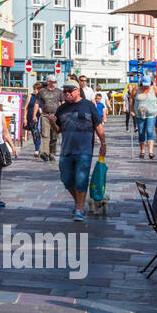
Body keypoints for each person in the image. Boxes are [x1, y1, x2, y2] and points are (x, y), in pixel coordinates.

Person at [46, 80, 105, 221]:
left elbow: (98, 124)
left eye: (70, 90)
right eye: (65, 91)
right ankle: (80, 202)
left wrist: (103, 143)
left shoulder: (88, 105)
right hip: (67, 149)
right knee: (66, 179)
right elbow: (58, 131)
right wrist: (53, 122)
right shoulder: (62, 108)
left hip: (84, 149)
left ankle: (79, 209)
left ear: (78, 90)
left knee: (81, 179)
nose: (67, 93)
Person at [36, 76, 63, 162]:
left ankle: (52, 153)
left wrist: (62, 114)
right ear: (48, 82)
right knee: (45, 134)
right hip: (45, 115)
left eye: (55, 81)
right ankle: (44, 153)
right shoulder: (42, 91)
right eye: (53, 81)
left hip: (56, 116)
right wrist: (34, 115)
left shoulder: (59, 92)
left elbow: (62, 103)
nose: (54, 83)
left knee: (54, 136)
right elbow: (37, 103)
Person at [132, 81, 157, 160]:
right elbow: (131, 99)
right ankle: (142, 151)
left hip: (151, 114)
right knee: (141, 132)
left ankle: (151, 152)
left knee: (150, 131)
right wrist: (131, 110)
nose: (146, 87)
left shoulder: (154, 88)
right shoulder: (136, 89)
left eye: (147, 85)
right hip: (139, 114)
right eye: (144, 85)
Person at [25, 82, 44, 157]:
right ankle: (37, 149)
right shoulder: (30, 96)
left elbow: (44, 107)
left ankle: (38, 149)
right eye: (34, 89)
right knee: (34, 134)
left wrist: (41, 110)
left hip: (39, 117)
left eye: (36, 89)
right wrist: (24, 118)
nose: (35, 90)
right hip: (30, 117)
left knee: (38, 133)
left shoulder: (42, 98)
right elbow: (26, 108)